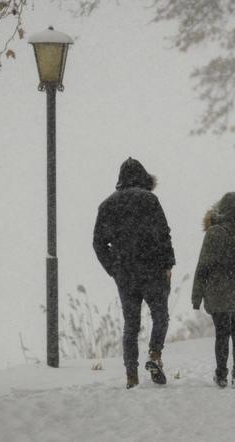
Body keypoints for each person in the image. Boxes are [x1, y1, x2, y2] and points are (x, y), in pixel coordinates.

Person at [93, 157, 175, 389]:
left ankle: (132, 375)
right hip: (153, 270)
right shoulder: (149, 200)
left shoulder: (107, 205)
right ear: (142, 176)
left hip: (126, 274)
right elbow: (163, 235)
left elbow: (98, 243)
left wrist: (114, 269)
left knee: (131, 324)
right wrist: (168, 265)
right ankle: (155, 354)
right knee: (160, 316)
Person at [192, 192, 235, 388]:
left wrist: (197, 296)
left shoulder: (213, 232)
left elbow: (203, 265)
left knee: (222, 334)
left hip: (218, 291)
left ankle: (221, 375)